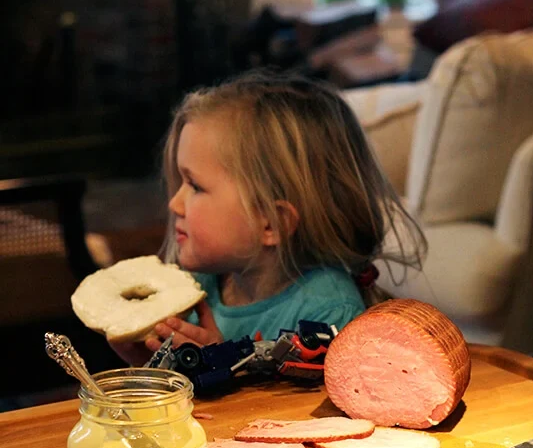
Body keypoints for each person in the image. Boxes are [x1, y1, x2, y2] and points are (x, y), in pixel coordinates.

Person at [113, 70, 425, 365]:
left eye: (195, 185)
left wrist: (217, 365)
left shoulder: (324, 314)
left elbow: (296, 418)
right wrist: (148, 362)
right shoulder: (198, 286)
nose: (174, 204)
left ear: (270, 223)